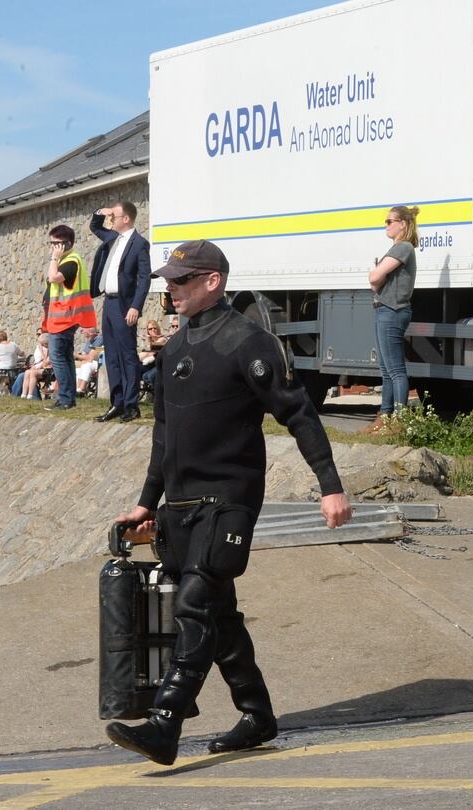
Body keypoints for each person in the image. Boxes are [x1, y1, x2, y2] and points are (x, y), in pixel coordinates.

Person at [105, 239, 352, 767]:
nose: (170, 290)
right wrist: (147, 504)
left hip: (230, 499)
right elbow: (163, 438)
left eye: (180, 280)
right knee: (219, 613)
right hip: (181, 504)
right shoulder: (173, 351)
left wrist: (329, 485)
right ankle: (257, 714)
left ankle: (164, 724)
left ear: (212, 282)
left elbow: (299, 414)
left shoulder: (249, 343)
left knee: (193, 603)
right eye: (168, 281)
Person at [90, 202, 152, 422]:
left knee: (127, 356)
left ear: (126, 218)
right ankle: (116, 402)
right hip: (109, 303)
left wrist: (136, 306)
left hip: (125, 306)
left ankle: (131, 404)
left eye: (114, 216)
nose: (111, 220)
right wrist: (101, 212)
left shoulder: (140, 244)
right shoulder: (112, 238)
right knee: (112, 356)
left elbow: (144, 278)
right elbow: (95, 227)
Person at [367, 204, 420, 434]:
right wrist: (376, 278)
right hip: (384, 310)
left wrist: (375, 274)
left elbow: (375, 277)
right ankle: (385, 416)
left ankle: (398, 420)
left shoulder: (403, 248)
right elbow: (375, 282)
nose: (386, 226)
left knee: (396, 370)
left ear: (403, 224)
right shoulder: (398, 249)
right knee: (386, 369)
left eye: (390, 221)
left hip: (392, 311)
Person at [40, 224, 96, 412]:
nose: (51, 247)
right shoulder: (68, 259)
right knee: (65, 357)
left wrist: (54, 259)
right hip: (61, 317)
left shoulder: (71, 261)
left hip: (65, 317)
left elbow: (53, 277)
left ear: (66, 244)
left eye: (55, 243)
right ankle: (67, 397)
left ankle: (65, 398)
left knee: (58, 357)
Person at [17, 332, 50, 399]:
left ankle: (30, 395)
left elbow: (46, 363)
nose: (42, 345)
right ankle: (23, 395)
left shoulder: (51, 349)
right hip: (41, 367)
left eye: (43, 344)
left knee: (32, 373)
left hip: (49, 369)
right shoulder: (42, 347)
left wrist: (37, 365)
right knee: (27, 372)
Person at [74, 325, 103, 397]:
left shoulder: (99, 339)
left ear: (91, 332)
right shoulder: (89, 341)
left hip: (99, 363)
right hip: (90, 362)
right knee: (76, 370)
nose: (82, 332)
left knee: (86, 366)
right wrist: (81, 358)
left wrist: (76, 355)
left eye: (83, 330)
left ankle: (81, 390)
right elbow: (84, 356)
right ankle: (77, 390)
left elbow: (90, 357)